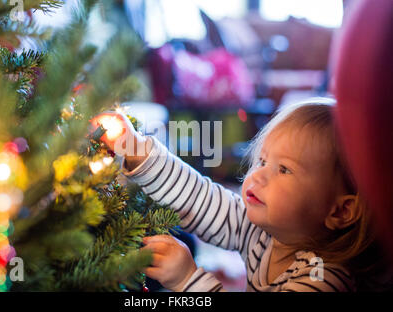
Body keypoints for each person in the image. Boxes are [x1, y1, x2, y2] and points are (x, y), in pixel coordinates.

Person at [91, 98, 387, 291]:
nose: (257, 175)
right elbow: (200, 200)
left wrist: (187, 280)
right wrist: (137, 151)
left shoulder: (322, 280)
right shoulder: (266, 233)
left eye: (283, 169)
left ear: (339, 211)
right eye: (262, 161)